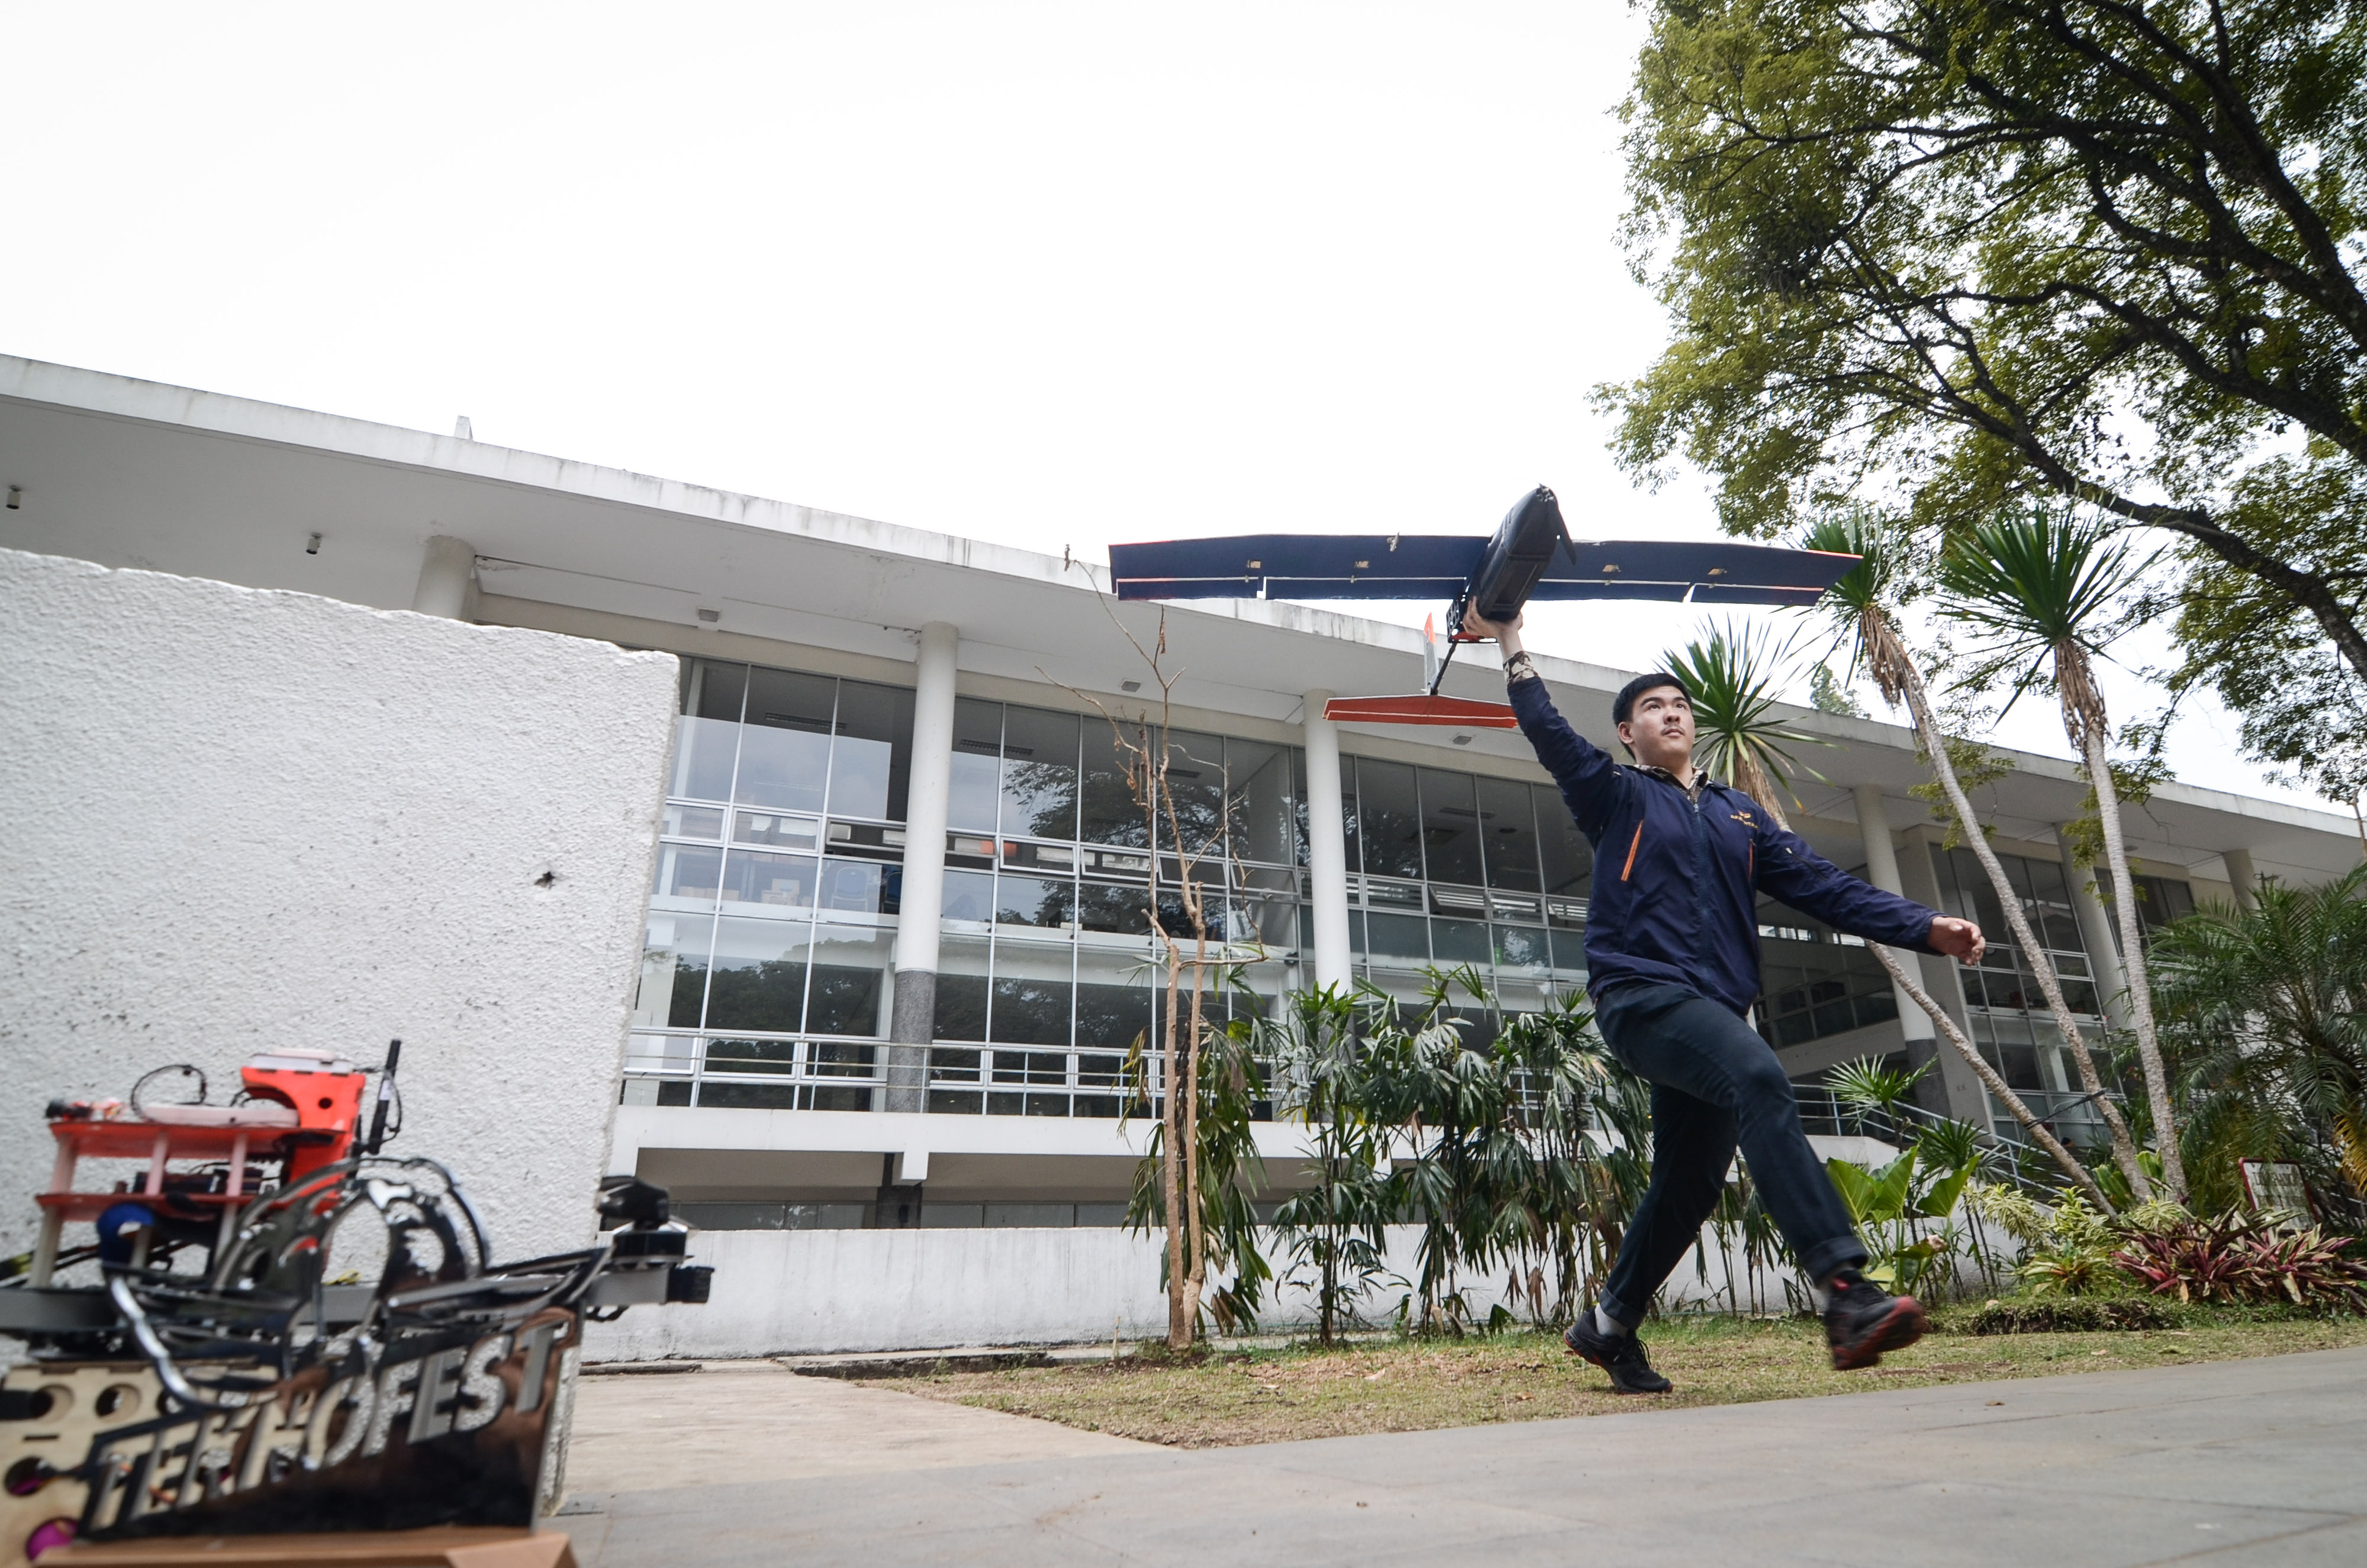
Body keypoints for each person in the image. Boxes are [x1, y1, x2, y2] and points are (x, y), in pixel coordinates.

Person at [1463, 605, 1986, 1392]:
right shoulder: (1614, 793)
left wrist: (1923, 926)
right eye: (1652, 707)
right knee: (1759, 1078)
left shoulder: (1739, 813)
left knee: (1691, 1181)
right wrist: (1508, 640)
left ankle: (1607, 1325)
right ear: (1628, 735)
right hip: (1642, 998)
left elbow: (1822, 885)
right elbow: (1548, 732)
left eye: (1680, 704)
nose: (1672, 713)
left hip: (1714, 1013)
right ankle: (1845, 1290)